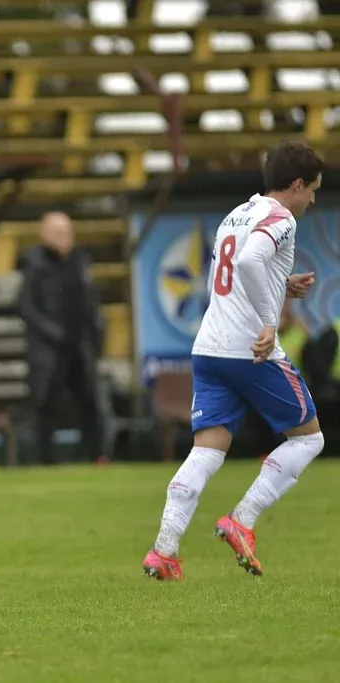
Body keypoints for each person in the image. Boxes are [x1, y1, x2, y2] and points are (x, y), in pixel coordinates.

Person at [143, 140, 324, 581]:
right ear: (296, 185)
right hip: (250, 351)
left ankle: (164, 551)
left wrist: (282, 284)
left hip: (209, 348)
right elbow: (248, 262)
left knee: (206, 450)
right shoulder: (280, 217)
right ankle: (242, 519)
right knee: (309, 439)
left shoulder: (238, 213)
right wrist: (269, 322)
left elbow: (229, 274)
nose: (313, 200)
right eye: (313, 190)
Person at [18, 212, 105, 465]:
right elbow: (26, 307)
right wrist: (52, 332)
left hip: (80, 346)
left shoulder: (80, 262)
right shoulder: (35, 263)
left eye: (67, 232)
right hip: (50, 349)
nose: (65, 238)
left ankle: (98, 455)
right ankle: (45, 459)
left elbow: (92, 304)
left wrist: (96, 335)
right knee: (47, 403)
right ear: (44, 235)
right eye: (58, 233)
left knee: (89, 401)